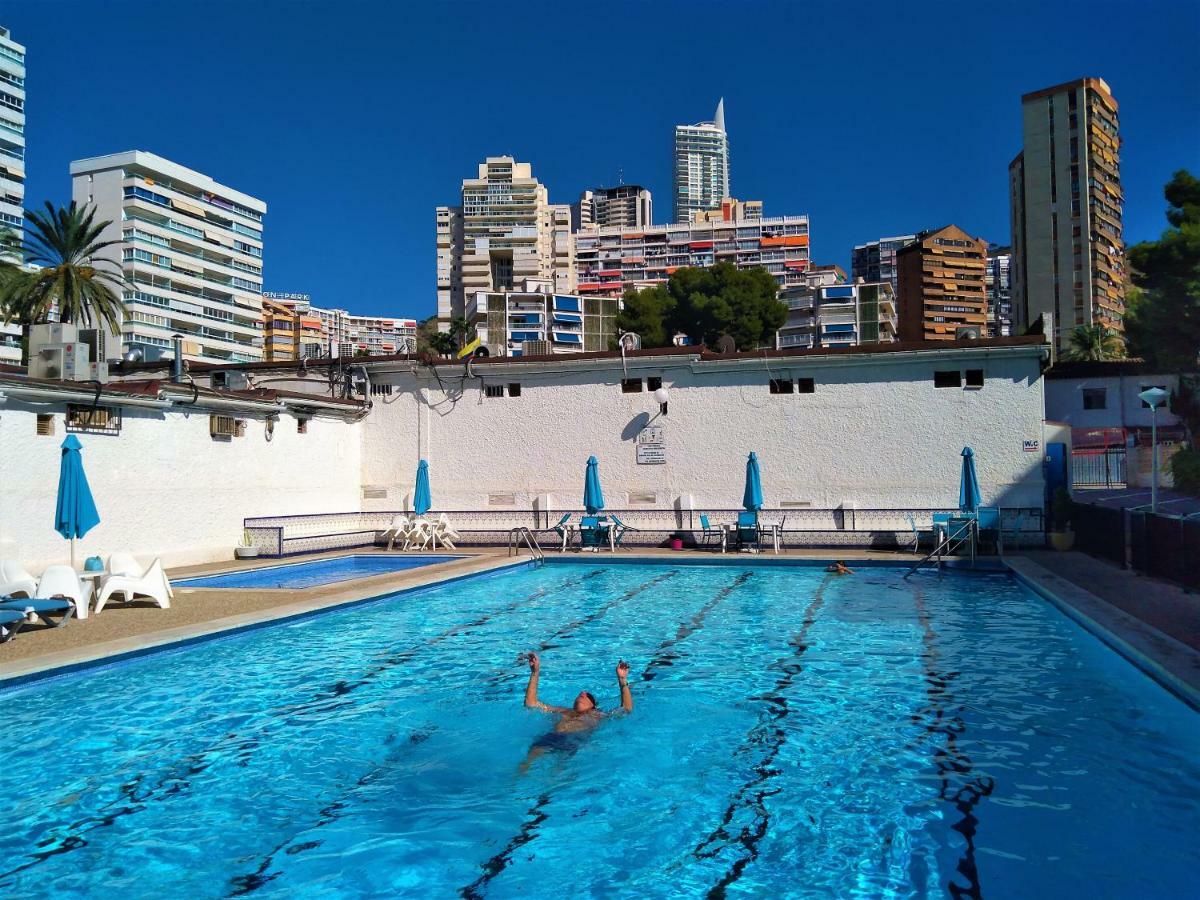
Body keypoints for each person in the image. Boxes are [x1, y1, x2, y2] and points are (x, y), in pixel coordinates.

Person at [520, 651, 631, 769]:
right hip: (551, 737)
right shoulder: (562, 710)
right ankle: (514, 785)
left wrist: (622, 680)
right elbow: (531, 703)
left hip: (573, 740)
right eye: (580, 694)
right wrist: (535, 673)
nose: (582, 693)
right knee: (525, 765)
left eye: (588, 696)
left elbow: (626, 709)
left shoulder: (598, 715)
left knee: (558, 772)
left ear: (593, 705)